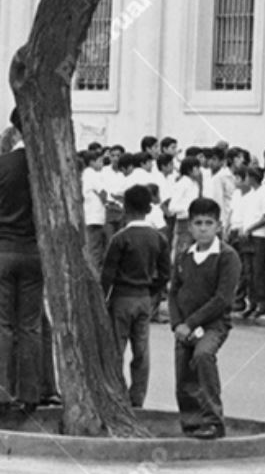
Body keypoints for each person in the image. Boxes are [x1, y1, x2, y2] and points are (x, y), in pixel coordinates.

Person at [0, 111, 44, 412]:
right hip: (34, 251)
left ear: (14, 129)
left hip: (2, 249)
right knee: (30, 325)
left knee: (0, 325)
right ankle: (31, 392)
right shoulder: (47, 167)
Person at [170, 197, 240, 439]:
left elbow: (222, 299)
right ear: (189, 226)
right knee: (183, 369)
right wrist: (178, 323)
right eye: (197, 223)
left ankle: (213, 420)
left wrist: (191, 323)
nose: (203, 228)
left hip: (213, 323)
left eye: (208, 223)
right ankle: (191, 421)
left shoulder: (227, 256)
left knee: (203, 356)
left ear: (218, 226)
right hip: (185, 325)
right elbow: (173, 292)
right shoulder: (183, 255)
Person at [100, 184, 168, 407]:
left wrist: (103, 298)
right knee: (141, 349)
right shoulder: (158, 239)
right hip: (144, 297)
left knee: (116, 348)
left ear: (125, 208)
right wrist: (151, 290)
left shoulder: (120, 239)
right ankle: (137, 396)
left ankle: (115, 393)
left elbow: (107, 274)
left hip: (121, 297)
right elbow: (165, 273)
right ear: (149, 209)